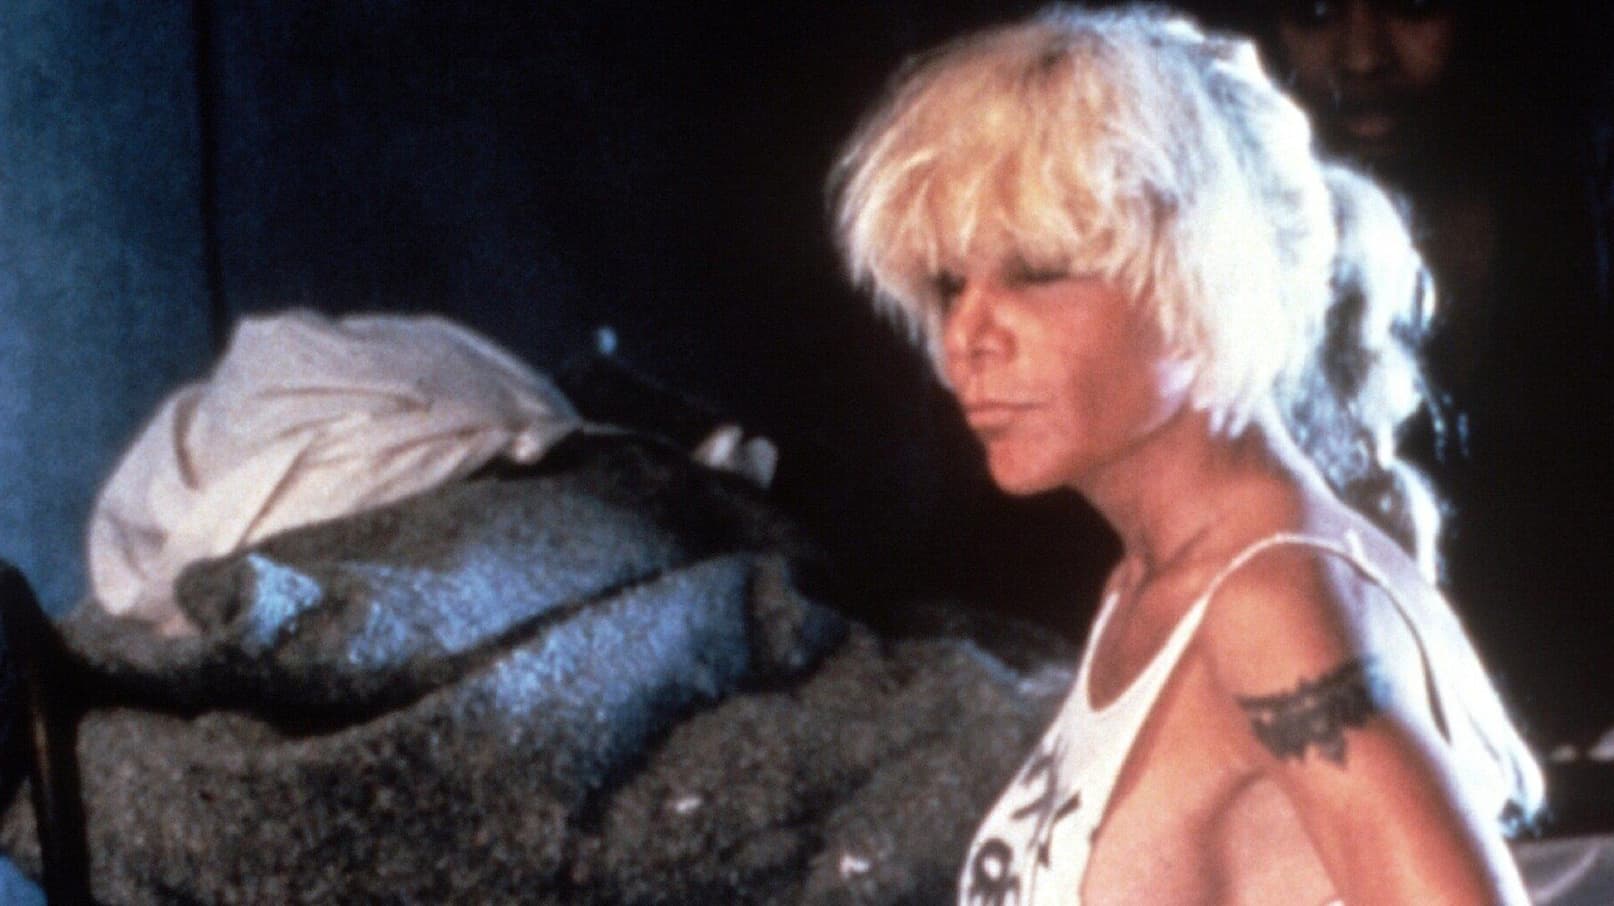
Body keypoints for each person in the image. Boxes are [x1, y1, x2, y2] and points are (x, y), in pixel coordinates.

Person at [828, 5, 1541, 903]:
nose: (965, 337)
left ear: (1207, 272)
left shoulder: (1269, 607)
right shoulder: (1149, 583)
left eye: (1037, 271)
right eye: (947, 284)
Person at [1247, 0, 1614, 753]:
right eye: (1314, 13)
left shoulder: (1580, 222)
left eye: (1413, 6)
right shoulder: (1216, 265)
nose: (1362, 57)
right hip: (1336, 753)